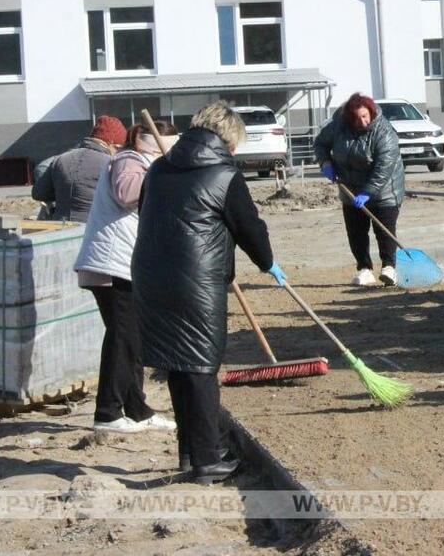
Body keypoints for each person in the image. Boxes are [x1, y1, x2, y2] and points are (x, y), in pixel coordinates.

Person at [131, 101, 288, 484]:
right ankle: (207, 460)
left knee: (177, 363)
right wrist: (267, 262)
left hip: (151, 274)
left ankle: (189, 452)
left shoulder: (158, 168)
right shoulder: (225, 175)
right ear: (228, 138)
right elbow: (249, 227)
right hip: (195, 282)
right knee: (201, 366)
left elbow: (145, 210)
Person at [74, 120, 180, 434]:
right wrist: (161, 175)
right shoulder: (128, 160)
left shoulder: (144, 162)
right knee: (124, 338)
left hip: (124, 263)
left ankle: (137, 409)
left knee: (132, 339)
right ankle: (107, 413)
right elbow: (126, 192)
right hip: (114, 265)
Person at [314, 93, 406, 287]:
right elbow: (320, 144)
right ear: (348, 118)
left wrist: (368, 192)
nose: (363, 122)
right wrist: (325, 163)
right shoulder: (338, 126)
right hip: (350, 189)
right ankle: (364, 269)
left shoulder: (384, 132)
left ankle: (389, 268)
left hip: (385, 190)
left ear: (371, 112)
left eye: (365, 116)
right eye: (357, 118)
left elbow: (384, 168)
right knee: (356, 232)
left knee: (384, 231)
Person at [32, 115, 127, 222]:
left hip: (61, 228)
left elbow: (39, 193)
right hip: (96, 229)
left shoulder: (61, 159)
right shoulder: (111, 164)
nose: (118, 153)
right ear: (110, 142)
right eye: (118, 148)